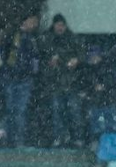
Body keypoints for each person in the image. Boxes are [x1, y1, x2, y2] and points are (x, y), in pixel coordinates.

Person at [43, 13, 83, 147]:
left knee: (74, 112)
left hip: (72, 83)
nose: (60, 28)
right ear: (53, 25)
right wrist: (50, 63)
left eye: (62, 25)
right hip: (55, 84)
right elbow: (42, 61)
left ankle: (77, 138)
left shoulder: (73, 39)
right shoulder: (46, 39)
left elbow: (82, 56)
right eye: (58, 25)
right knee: (56, 112)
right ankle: (58, 137)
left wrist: (76, 60)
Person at [4, 14, 41, 148]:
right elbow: (7, 55)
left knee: (20, 111)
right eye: (32, 21)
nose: (34, 24)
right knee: (11, 110)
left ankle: (18, 140)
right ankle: (10, 140)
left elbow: (35, 58)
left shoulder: (33, 38)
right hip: (12, 78)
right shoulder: (14, 35)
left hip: (24, 79)